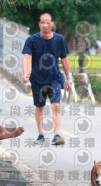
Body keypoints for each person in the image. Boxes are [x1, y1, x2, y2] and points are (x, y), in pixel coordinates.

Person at [22, 13, 71, 145]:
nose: (45, 25)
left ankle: (56, 135)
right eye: (43, 22)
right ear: (39, 24)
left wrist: (68, 78)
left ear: (52, 24)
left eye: (48, 22)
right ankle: (40, 135)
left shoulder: (59, 39)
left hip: (54, 78)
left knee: (56, 106)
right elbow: (27, 57)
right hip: (37, 79)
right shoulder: (32, 40)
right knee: (39, 108)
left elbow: (64, 59)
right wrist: (25, 73)